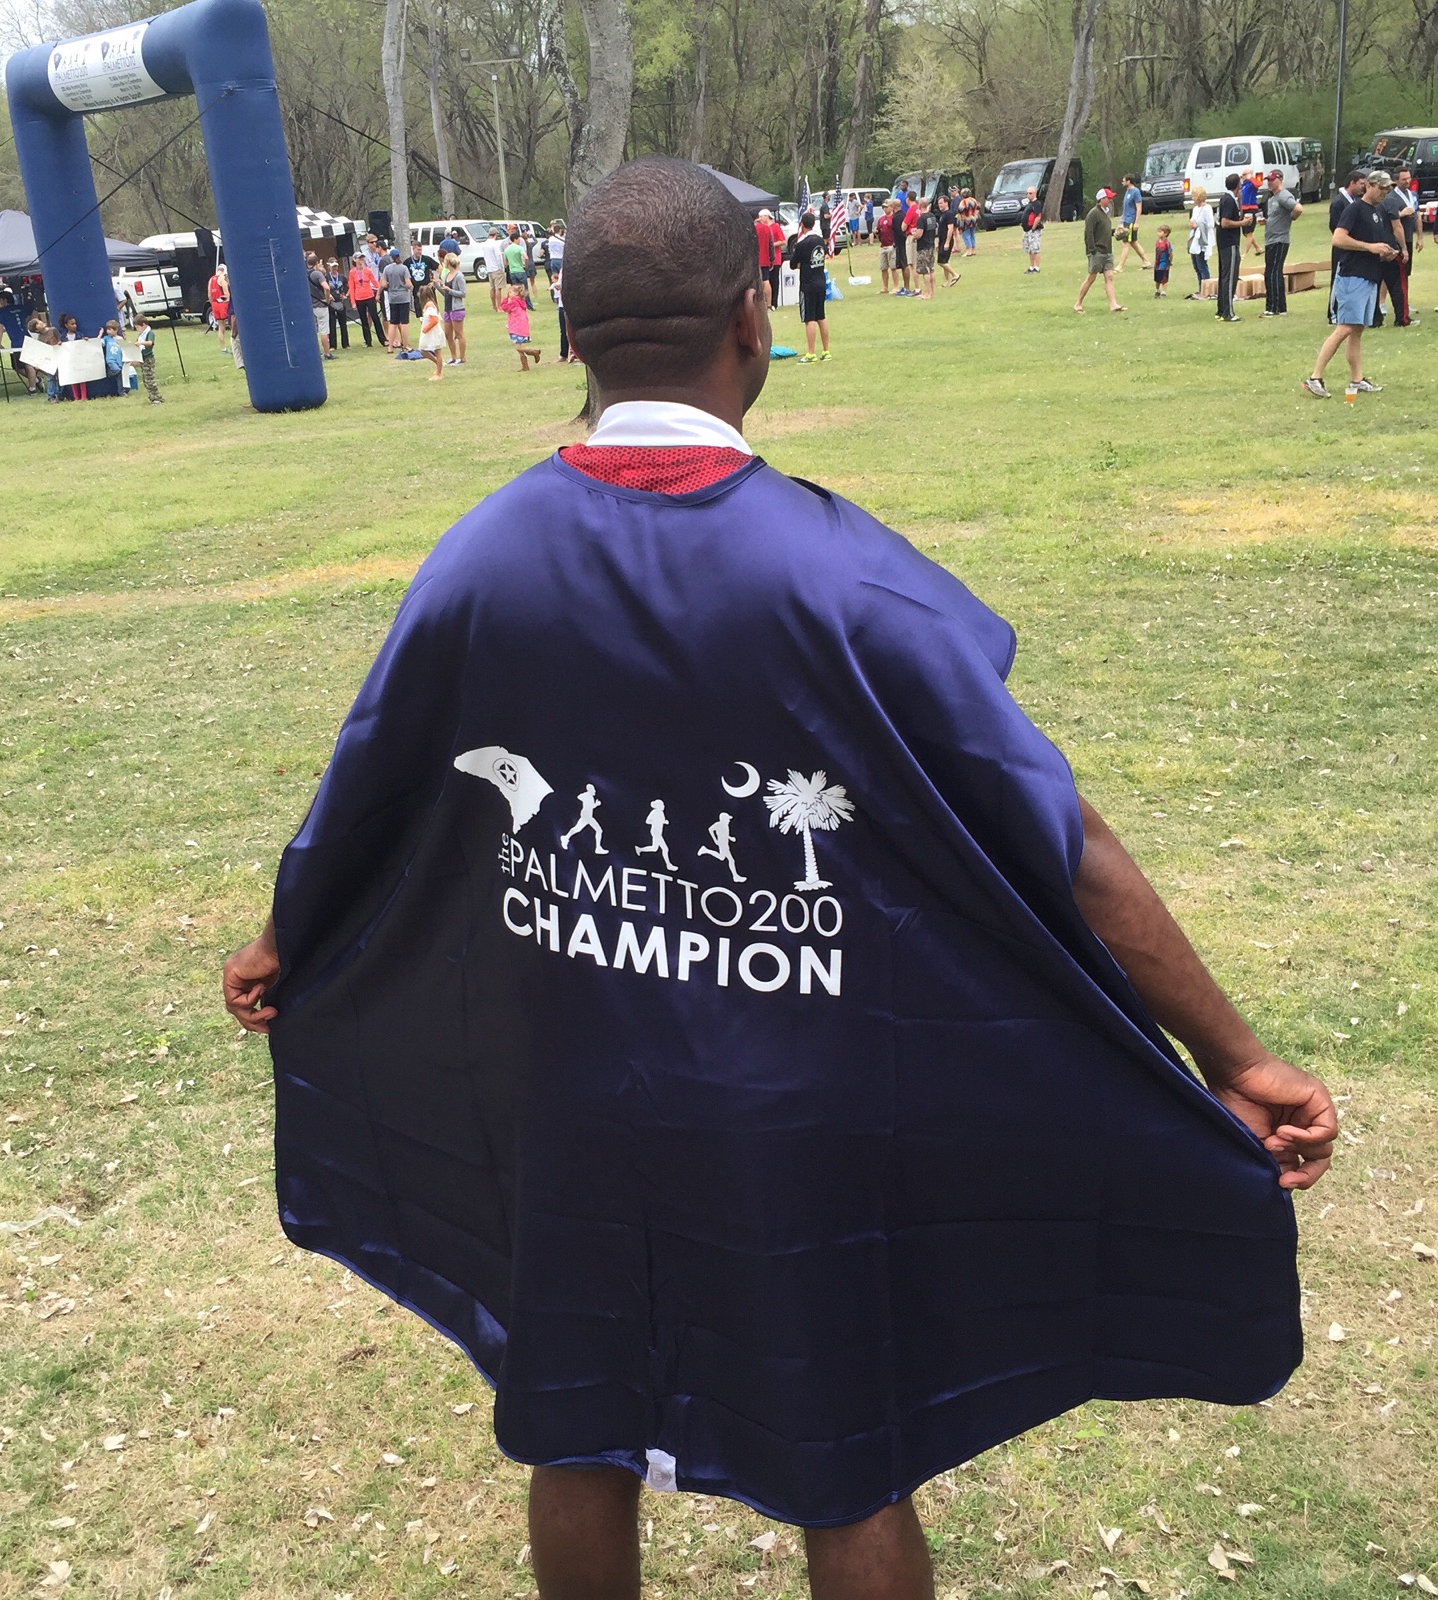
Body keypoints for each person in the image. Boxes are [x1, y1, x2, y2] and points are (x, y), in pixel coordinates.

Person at [225, 154, 1336, 1600]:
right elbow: (1059, 839)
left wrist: (286, 936)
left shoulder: (480, 558)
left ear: (564, 335)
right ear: (756, 320)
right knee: (846, 1452)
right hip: (804, 1104)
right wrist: (1231, 1056)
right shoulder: (847, 579)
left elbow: (370, 785)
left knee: (573, 1421)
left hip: (567, 1088)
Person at [1304, 169, 1396, 396]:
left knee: (1357, 329)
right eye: (1382, 188)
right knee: (1344, 327)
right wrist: (1370, 247)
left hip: (1369, 275)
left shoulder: (1376, 212)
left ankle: (1357, 380)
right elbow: (1338, 238)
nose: (1385, 192)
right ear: (1369, 186)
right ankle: (1314, 377)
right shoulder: (1354, 209)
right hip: (1352, 276)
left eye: (1388, 188)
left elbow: (1371, 244)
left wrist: (1384, 252)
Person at [787, 208, 830, 360]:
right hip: (820, 282)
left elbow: (793, 264)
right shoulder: (820, 240)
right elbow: (823, 255)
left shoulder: (802, 243)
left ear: (802, 225)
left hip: (808, 284)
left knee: (809, 319)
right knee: (821, 317)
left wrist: (801, 264)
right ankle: (826, 351)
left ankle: (811, 353)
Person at [1074, 188, 1124, 313]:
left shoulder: (1105, 213)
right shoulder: (1093, 214)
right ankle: (1078, 303)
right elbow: (1089, 233)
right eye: (1108, 198)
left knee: (1110, 277)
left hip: (1107, 251)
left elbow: (1103, 231)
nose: (1110, 200)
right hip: (1097, 252)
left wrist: (1116, 232)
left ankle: (1113, 304)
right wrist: (1092, 250)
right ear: (1101, 199)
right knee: (1091, 278)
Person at [1328, 170, 1367, 324]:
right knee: (1337, 279)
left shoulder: (1355, 201)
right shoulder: (1339, 202)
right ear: (1352, 183)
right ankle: (1333, 313)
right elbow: (1335, 226)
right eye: (1361, 184)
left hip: (1352, 248)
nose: (1363, 187)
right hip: (1341, 248)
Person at [1260, 169, 1301, 317]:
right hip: (1271, 239)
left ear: (1280, 179)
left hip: (1279, 239)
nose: (1269, 183)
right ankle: (1279, 306)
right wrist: (1267, 222)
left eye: (1272, 180)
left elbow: (1298, 208)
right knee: (1272, 272)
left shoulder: (1284, 196)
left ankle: (1274, 307)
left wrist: (1291, 218)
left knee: (1273, 272)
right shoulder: (1272, 199)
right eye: (1268, 180)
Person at [1378, 168, 1416, 327]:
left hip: (1376, 247)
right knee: (1398, 284)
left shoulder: (1369, 203)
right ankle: (1402, 318)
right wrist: (1403, 248)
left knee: (1375, 283)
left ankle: (1374, 318)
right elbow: (1397, 226)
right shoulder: (1391, 200)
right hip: (1391, 248)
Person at [0, 289, 35, 392]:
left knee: (26, 364)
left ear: (4, 300)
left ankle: (32, 388)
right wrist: (29, 322)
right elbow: (34, 311)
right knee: (18, 365)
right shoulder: (20, 307)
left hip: (17, 341)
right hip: (27, 337)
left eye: (0, 300)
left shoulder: (3, 312)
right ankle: (35, 381)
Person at [1215, 173, 1244, 322]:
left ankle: (1221, 309)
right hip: (1229, 243)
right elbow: (1225, 222)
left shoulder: (1228, 199)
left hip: (1224, 242)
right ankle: (1228, 312)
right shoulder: (1228, 200)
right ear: (1237, 185)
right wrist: (1242, 224)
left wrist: (1240, 201)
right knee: (1230, 276)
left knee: (1224, 276)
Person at [499, 281, 541, 368]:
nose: (509, 294)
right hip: (521, 326)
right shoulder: (521, 301)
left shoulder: (514, 302)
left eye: (510, 292)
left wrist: (505, 299)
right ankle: (525, 366)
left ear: (516, 293)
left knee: (518, 348)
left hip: (517, 327)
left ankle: (534, 352)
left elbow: (504, 307)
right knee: (519, 347)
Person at [347, 254, 385, 347]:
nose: (361, 260)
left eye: (362, 258)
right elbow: (351, 288)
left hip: (369, 297)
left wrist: (380, 289)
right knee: (364, 320)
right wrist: (353, 302)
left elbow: (375, 283)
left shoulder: (368, 270)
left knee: (375, 317)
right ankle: (368, 341)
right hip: (359, 298)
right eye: (359, 258)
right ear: (354, 260)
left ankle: (383, 339)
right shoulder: (352, 272)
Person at [381, 248, 413, 356]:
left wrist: (391, 285)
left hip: (392, 297)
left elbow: (383, 284)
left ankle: (390, 346)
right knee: (404, 322)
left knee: (393, 323)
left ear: (391, 258)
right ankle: (405, 345)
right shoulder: (404, 268)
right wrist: (408, 286)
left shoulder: (387, 269)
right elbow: (408, 284)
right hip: (403, 297)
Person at [1185, 185, 1214, 298]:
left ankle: (1207, 288)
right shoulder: (1195, 209)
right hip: (1195, 238)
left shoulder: (1207, 208)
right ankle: (1201, 287)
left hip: (1203, 238)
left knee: (1202, 265)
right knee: (1196, 265)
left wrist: (1198, 225)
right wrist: (1192, 224)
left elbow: (1210, 224)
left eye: (1194, 196)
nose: (1192, 198)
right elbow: (1193, 220)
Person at [413, 284, 445, 381]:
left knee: (436, 352)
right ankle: (438, 364)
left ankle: (438, 373)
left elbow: (434, 320)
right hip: (431, 332)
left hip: (434, 332)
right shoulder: (429, 304)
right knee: (423, 350)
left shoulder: (430, 305)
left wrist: (426, 328)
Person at [306, 252, 334, 361]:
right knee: (324, 330)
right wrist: (327, 299)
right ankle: (327, 353)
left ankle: (315, 352)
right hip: (321, 305)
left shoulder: (304, 274)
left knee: (313, 330)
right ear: (316, 263)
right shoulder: (317, 274)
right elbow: (326, 288)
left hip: (310, 305)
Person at [441, 252, 469, 365]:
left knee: (459, 334)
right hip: (447, 308)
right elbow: (445, 293)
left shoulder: (459, 276)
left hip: (457, 308)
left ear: (448, 262)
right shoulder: (447, 275)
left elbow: (463, 293)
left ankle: (462, 358)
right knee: (448, 334)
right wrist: (438, 285)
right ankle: (453, 357)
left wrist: (450, 290)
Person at [1116, 174, 1147, 269]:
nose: (1122, 182)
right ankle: (1146, 261)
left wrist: (1136, 222)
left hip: (1131, 221)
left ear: (1128, 181)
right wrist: (1121, 222)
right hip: (1126, 220)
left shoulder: (1135, 192)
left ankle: (1120, 266)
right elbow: (1126, 208)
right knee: (1133, 242)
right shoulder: (1127, 192)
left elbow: (1139, 208)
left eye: (1123, 180)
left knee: (1126, 243)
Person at [134, 313, 163, 403]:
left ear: (143, 325)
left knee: (150, 379)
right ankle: (152, 397)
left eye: (137, 327)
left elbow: (150, 343)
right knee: (145, 380)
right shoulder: (140, 335)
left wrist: (141, 343)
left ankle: (157, 398)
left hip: (148, 359)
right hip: (142, 358)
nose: (137, 329)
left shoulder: (150, 333)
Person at [754, 208, 780, 307]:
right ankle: (769, 304)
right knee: (766, 281)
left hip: (755, 260)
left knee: (755, 283)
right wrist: (772, 258)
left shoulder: (752, 228)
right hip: (765, 259)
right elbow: (771, 245)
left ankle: (757, 305)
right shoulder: (767, 228)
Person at [913, 201, 938, 299]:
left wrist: (914, 236)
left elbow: (919, 234)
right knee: (931, 269)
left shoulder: (921, 219)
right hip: (931, 244)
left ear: (919, 206)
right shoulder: (932, 216)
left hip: (923, 247)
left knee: (925, 270)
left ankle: (927, 293)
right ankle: (933, 292)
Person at [934, 194, 960, 288]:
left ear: (946, 203)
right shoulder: (943, 215)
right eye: (939, 203)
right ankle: (947, 281)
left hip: (946, 240)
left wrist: (947, 242)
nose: (939, 205)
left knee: (941, 261)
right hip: (942, 240)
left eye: (941, 203)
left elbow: (950, 229)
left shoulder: (949, 214)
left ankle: (955, 274)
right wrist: (938, 243)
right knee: (945, 261)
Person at [895, 192, 918, 295]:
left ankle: (916, 288)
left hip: (911, 237)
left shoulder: (911, 210)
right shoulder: (918, 208)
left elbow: (903, 226)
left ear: (908, 199)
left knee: (912, 264)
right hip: (918, 235)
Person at [325, 258, 351, 351]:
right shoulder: (326, 277)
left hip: (341, 303)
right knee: (332, 324)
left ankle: (345, 344)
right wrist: (328, 295)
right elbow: (323, 288)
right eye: (333, 267)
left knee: (343, 324)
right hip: (331, 303)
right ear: (329, 267)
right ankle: (333, 345)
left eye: (336, 266)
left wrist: (346, 295)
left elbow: (349, 286)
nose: (335, 268)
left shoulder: (342, 277)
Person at [482, 225, 507, 311]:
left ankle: (494, 306)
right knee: (498, 288)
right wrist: (502, 268)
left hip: (489, 268)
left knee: (492, 288)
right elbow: (498, 257)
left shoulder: (485, 244)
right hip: (496, 268)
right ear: (495, 234)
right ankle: (499, 307)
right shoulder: (495, 244)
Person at [875, 199, 897, 294]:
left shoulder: (894, 218)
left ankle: (895, 286)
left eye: (886, 207)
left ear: (891, 207)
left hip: (891, 245)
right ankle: (885, 287)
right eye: (883, 207)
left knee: (893, 267)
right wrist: (876, 232)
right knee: (883, 268)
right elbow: (879, 230)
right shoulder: (881, 219)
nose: (885, 209)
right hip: (883, 245)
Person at [1021, 186, 1044, 272]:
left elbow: (1038, 216)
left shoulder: (1037, 204)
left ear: (1034, 194)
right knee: (1030, 250)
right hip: (1027, 230)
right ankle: (1031, 267)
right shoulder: (1029, 204)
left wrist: (1033, 228)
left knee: (1035, 249)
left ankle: (1036, 268)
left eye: (1030, 193)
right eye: (1027, 193)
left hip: (1033, 230)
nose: (1028, 195)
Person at [209, 264, 231, 352]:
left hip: (214, 304)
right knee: (231, 325)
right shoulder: (222, 278)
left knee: (220, 327)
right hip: (223, 304)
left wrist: (213, 304)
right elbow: (226, 294)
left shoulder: (211, 279)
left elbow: (209, 295)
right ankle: (234, 346)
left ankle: (223, 348)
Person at [1239, 171, 1262, 256]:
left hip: (1251, 209)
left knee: (1249, 232)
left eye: (1244, 174)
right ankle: (1258, 248)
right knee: (1245, 233)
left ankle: (1245, 253)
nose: (1242, 176)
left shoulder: (1252, 184)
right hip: (1244, 209)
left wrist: (1251, 177)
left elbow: (1258, 184)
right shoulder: (1244, 185)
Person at [100, 319, 125, 394]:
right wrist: (100, 334)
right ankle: (108, 374)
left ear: (116, 330)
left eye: (110, 329)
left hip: (119, 360)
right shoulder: (107, 338)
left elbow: (124, 348)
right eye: (107, 329)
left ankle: (121, 391)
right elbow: (100, 343)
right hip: (110, 359)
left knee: (119, 376)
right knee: (117, 371)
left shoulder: (120, 339)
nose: (108, 331)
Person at [956, 188, 979, 256]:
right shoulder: (974, 200)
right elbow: (978, 208)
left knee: (966, 235)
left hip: (966, 220)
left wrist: (960, 220)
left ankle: (968, 251)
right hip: (974, 219)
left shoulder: (963, 201)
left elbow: (960, 210)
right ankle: (973, 250)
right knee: (972, 235)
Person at [1151, 226, 1173, 297]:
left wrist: (1170, 261)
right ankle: (1157, 290)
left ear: (1166, 233)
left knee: (1164, 278)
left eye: (1160, 232)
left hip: (1164, 263)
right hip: (1157, 263)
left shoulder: (1167, 243)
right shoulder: (1157, 242)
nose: (1158, 233)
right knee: (1157, 278)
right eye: (1158, 232)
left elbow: (1170, 253)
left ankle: (1163, 292)